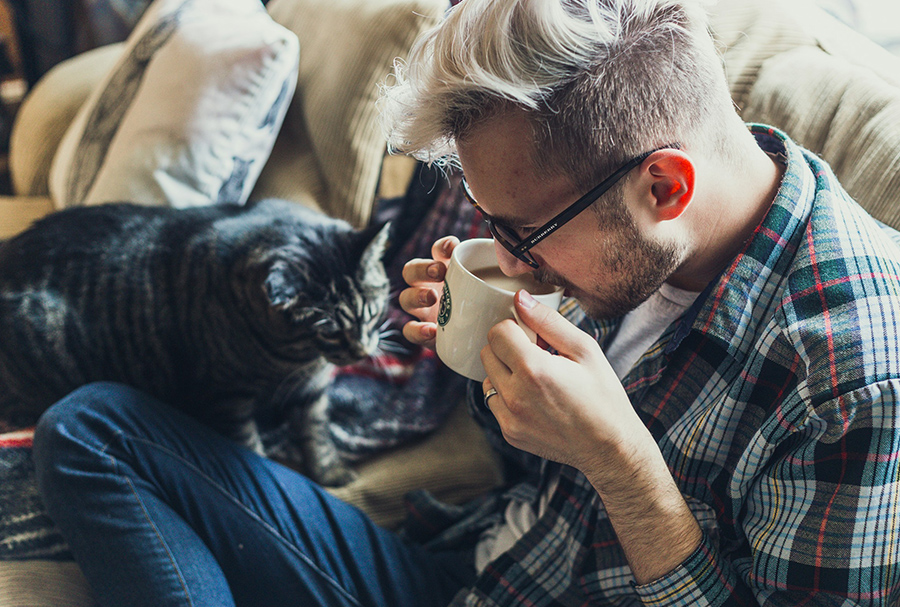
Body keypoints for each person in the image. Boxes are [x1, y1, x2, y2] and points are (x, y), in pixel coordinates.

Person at [32, 0, 900, 605]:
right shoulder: (633, 237)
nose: (507, 254)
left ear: (664, 185)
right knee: (91, 428)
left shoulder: (855, 378)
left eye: (521, 230)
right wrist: (483, 362)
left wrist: (626, 471)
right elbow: (532, 469)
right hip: (488, 572)